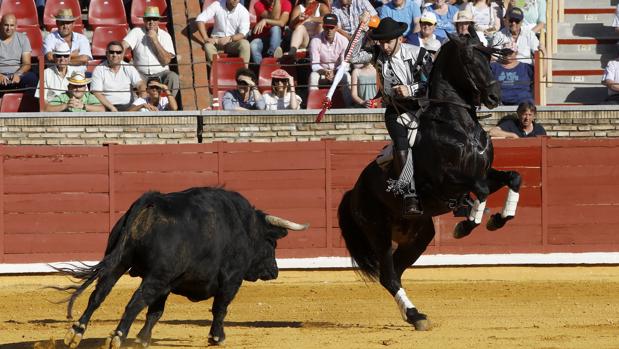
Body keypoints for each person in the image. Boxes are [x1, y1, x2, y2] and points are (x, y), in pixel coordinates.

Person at [351, 17, 432, 216]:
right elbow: (352, 57)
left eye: (388, 41)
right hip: (395, 110)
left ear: (399, 39)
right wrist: (362, 30)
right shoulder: (376, 53)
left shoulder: (418, 53)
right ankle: (409, 194)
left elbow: (433, 83)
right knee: (401, 142)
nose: (384, 46)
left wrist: (411, 88)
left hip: (421, 108)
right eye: (381, 41)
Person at [123, 6, 180, 97]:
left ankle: (167, 105)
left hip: (161, 73)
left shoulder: (165, 36)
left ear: (158, 21)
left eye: (154, 19)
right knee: (127, 76)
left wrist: (155, 40)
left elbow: (166, 61)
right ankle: (136, 106)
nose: (151, 22)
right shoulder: (136, 32)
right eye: (148, 19)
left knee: (173, 77)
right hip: (141, 73)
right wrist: (120, 60)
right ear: (144, 20)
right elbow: (123, 46)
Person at [308, 14, 352, 106]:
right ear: (323, 27)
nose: (329, 30)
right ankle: (312, 105)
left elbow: (346, 65)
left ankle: (349, 106)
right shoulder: (315, 40)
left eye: (331, 27)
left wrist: (334, 72)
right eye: (327, 27)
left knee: (346, 76)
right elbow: (314, 64)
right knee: (313, 76)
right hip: (322, 73)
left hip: (337, 72)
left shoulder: (343, 41)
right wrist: (325, 72)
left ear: (336, 27)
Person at [90, 41, 146, 111]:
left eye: (118, 52)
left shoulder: (129, 68)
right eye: (111, 52)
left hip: (128, 107)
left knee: (145, 108)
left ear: (122, 54)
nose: (115, 55)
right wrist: (112, 108)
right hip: (107, 107)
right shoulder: (99, 69)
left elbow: (140, 83)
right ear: (107, 53)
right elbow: (97, 93)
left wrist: (142, 94)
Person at [196, 0, 251, 65]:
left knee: (245, 44)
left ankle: (243, 72)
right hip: (215, 41)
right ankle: (218, 70)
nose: (236, 0)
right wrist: (205, 38)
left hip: (233, 42)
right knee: (208, 46)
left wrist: (230, 39)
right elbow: (200, 19)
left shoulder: (243, 11)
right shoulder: (217, 5)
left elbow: (243, 33)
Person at [42, 9, 92, 74]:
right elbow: (50, 57)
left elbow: (84, 59)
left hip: (79, 76)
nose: (65, 26)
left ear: (73, 24)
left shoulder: (82, 38)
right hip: (56, 75)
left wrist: (60, 58)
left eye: (68, 23)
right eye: (62, 23)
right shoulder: (50, 38)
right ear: (57, 23)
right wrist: (73, 55)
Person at [0, 14, 38, 96]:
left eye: (12, 25)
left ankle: (27, 105)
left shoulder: (23, 39)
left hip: (16, 74)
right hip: (0, 74)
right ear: (1, 24)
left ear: (16, 26)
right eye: (6, 25)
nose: (8, 28)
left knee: (32, 77)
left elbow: (27, 63)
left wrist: (18, 74)